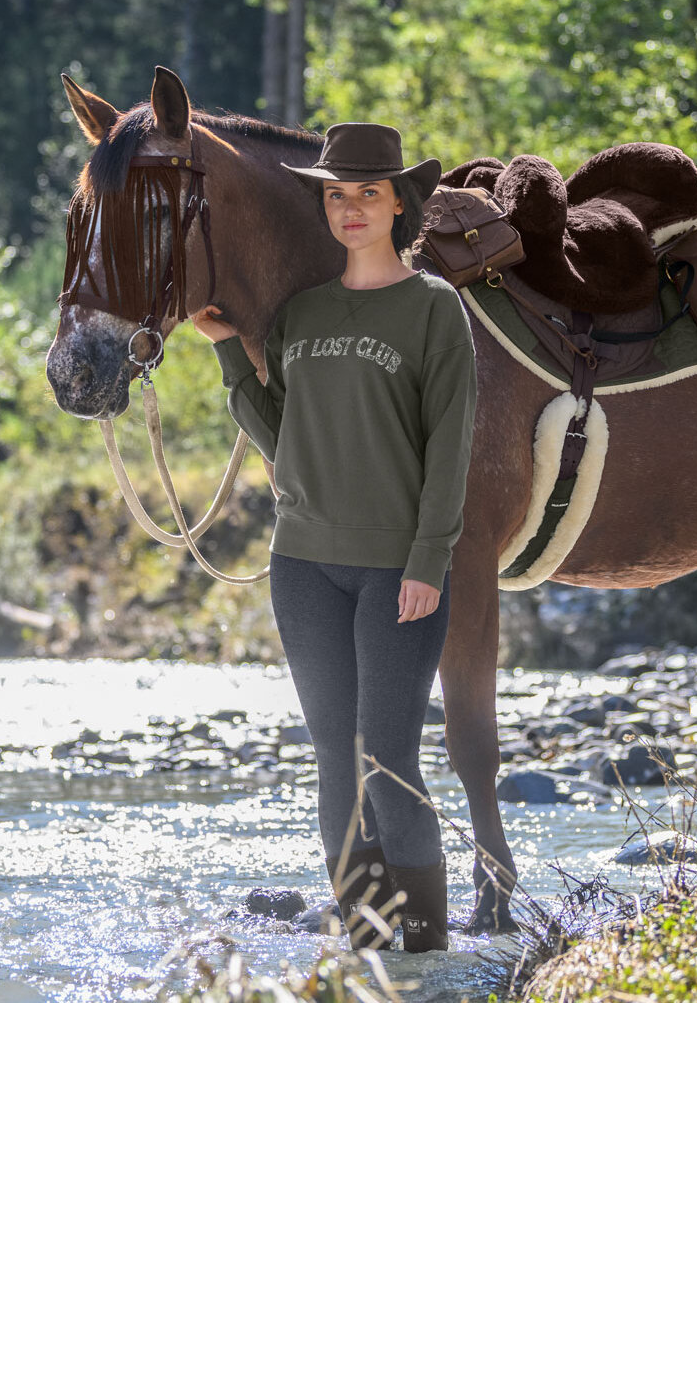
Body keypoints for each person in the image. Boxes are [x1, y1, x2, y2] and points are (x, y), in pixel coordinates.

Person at [191, 123, 476, 953]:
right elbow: (285, 440)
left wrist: (428, 562)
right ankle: (364, 937)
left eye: (368, 193)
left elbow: (449, 448)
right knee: (334, 761)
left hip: (397, 569)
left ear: (399, 203)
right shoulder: (301, 313)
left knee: (387, 758)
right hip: (303, 568)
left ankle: (425, 949)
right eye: (336, 194)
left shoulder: (434, 310)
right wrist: (231, 360)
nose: (349, 209)